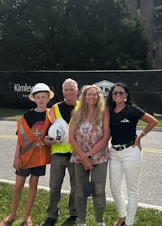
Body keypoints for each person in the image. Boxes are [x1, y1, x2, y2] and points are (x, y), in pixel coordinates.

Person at [0, 83, 54, 226]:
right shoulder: (28, 116)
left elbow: (54, 135)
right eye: (38, 97)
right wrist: (16, 156)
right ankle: (13, 213)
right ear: (34, 99)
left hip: (40, 158)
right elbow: (20, 139)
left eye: (44, 97)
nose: (41, 100)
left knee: (33, 185)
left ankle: (26, 216)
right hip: (25, 157)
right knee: (18, 185)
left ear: (48, 98)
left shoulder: (52, 116)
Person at [106, 83, 158, 226]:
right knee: (115, 187)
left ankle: (129, 223)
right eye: (115, 93)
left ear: (126, 95)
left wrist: (140, 137)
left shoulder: (132, 109)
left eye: (121, 93)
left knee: (132, 190)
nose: (117, 95)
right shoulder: (109, 111)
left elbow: (153, 121)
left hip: (131, 152)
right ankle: (122, 217)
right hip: (114, 152)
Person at [69, 85, 110, 226]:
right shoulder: (77, 113)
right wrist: (84, 157)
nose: (91, 97)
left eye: (94, 95)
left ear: (99, 97)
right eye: (89, 95)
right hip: (79, 157)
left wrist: (90, 156)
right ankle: (82, 221)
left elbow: (106, 137)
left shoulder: (104, 113)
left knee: (98, 189)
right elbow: (71, 138)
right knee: (81, 190)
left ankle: (100, 221)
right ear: (84, 97)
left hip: (99, 157)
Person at [43, 78, 80, 226]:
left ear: (77, 91)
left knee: (76, 187)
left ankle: (74, 214)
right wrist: (46, 140)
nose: (69, 92)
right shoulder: (54, 109)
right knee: (54, 187)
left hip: (76, 155)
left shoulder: (83, 108)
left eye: (72, 89)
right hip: (58, 154)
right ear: (62, 91)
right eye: (66, 89)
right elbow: (47, 132)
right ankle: (52, 215)